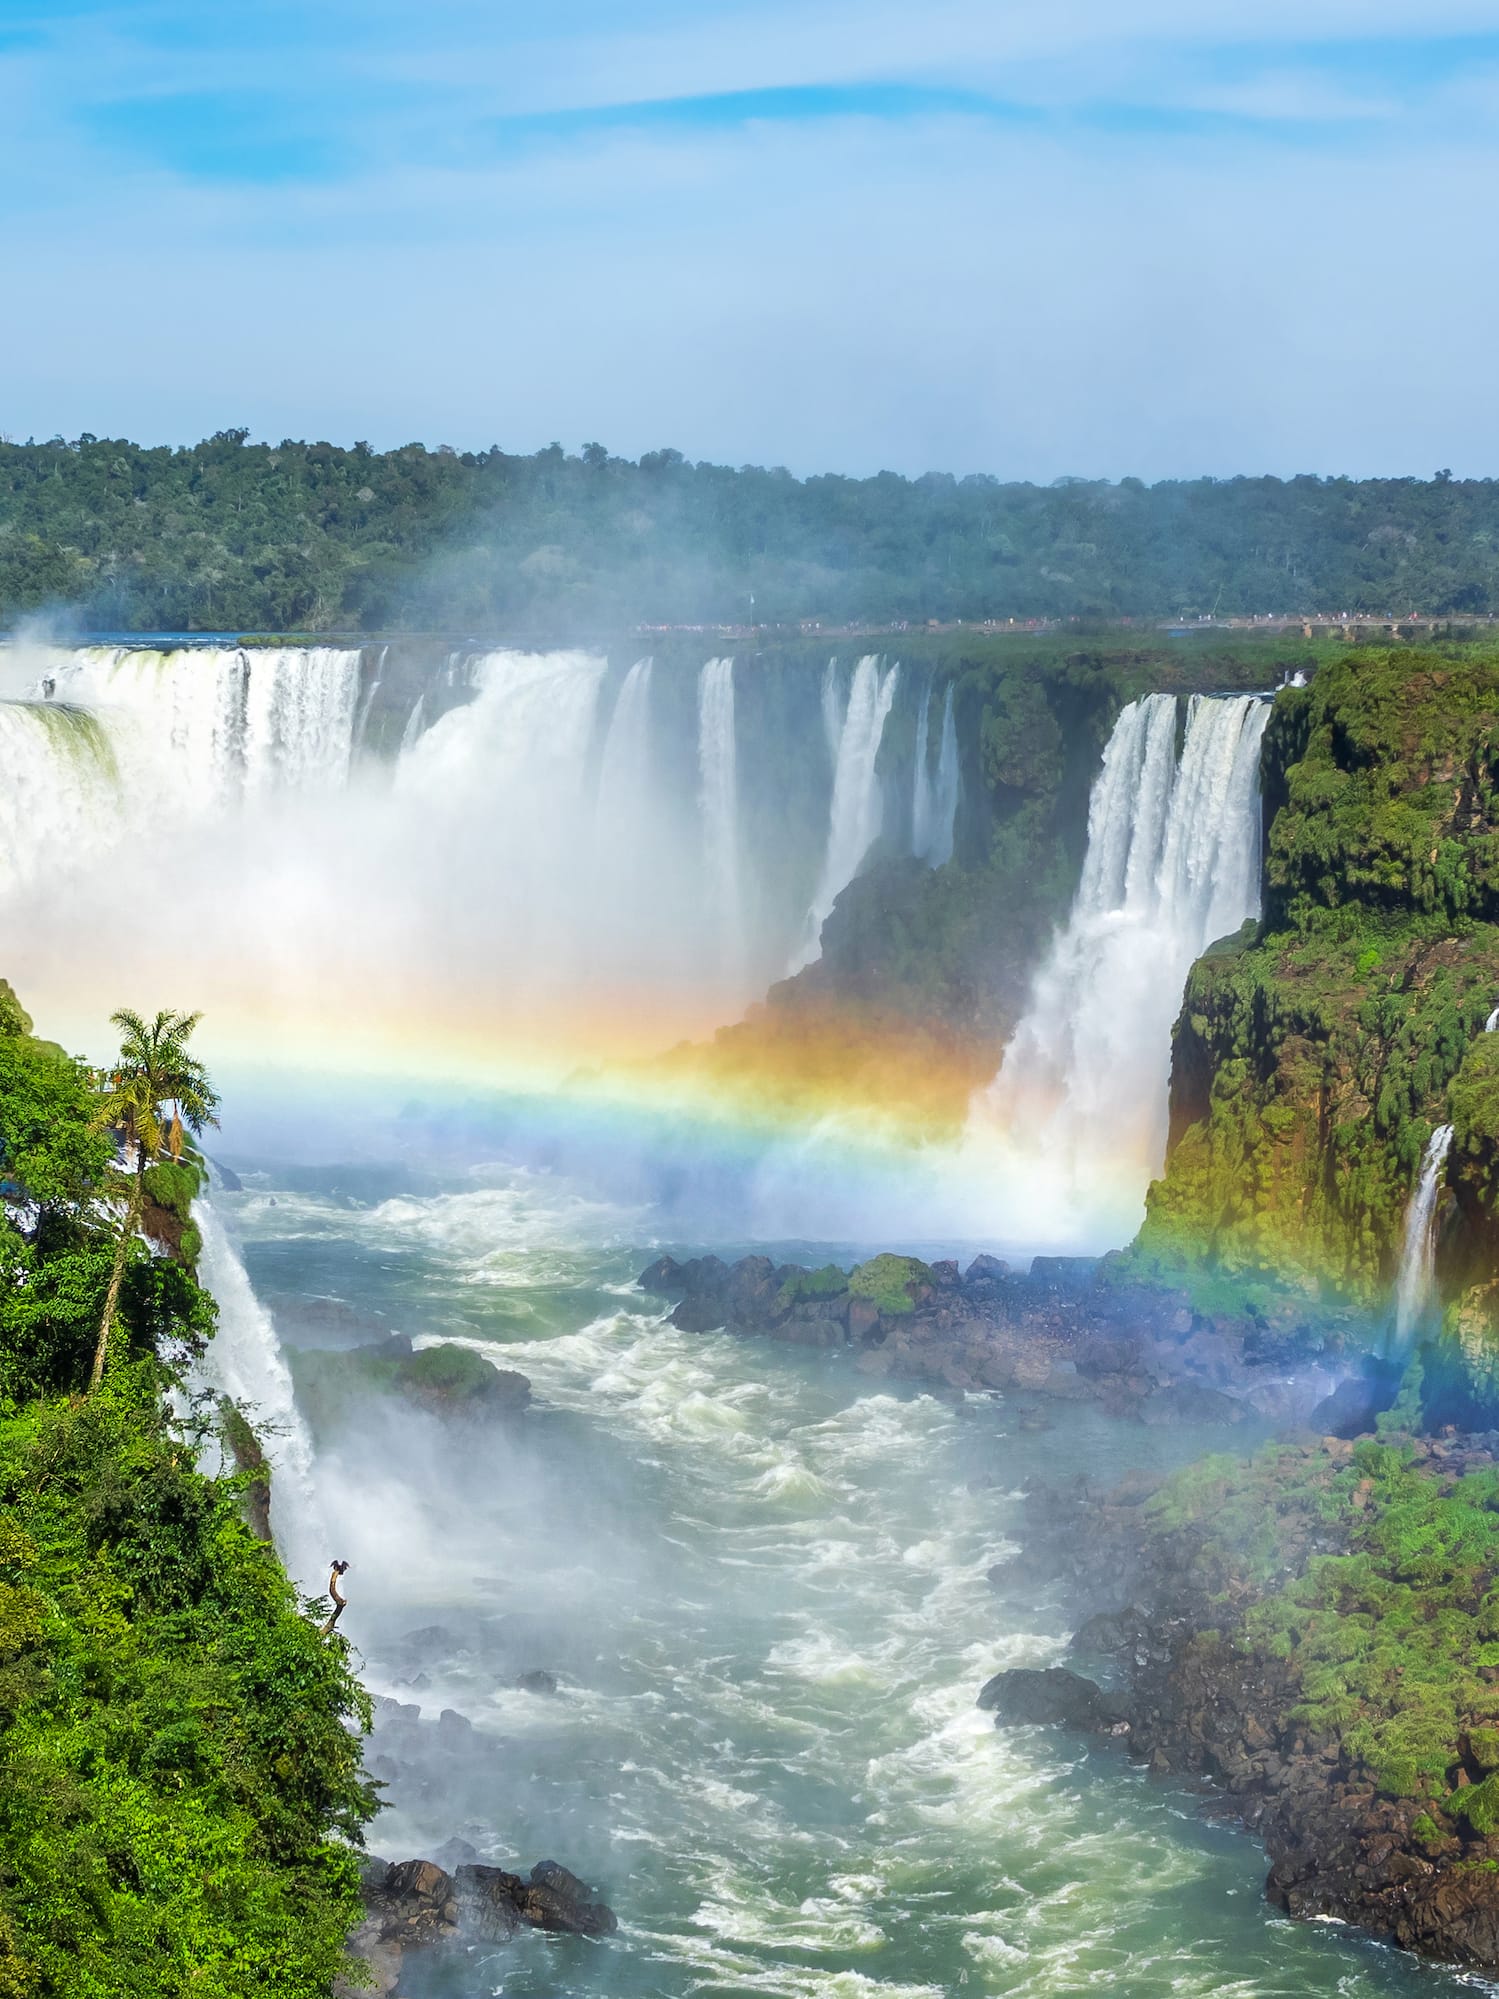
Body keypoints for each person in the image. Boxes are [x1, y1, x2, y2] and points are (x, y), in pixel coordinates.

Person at [321, 1559, 350, 1636]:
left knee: (340, 1603)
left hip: (336, 1576)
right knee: (340, 1602)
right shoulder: (338, 1569)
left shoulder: (337, 1567)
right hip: (335, 1581)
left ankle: (330, 1625)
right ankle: (330, 1625)